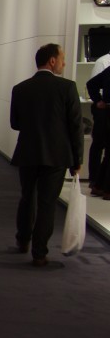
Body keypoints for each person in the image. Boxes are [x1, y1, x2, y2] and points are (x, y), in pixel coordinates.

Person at [10, 43, 84, 266]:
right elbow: (75, 126)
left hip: (28, 152)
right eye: (62, 58)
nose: (64, 63)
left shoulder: (20, 88)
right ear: (52, 61)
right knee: (47, 203)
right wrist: (78, 159)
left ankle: (23, 239)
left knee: (27, 197)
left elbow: (15, 123)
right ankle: (39, 252)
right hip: (56, 155)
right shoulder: (67, 87)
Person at [86, 51, 110, 197]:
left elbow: (91, 84)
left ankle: (99, 185)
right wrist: (98, 100)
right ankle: (103, 187)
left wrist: (99, 100)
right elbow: (92, 84)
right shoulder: (103, 62)